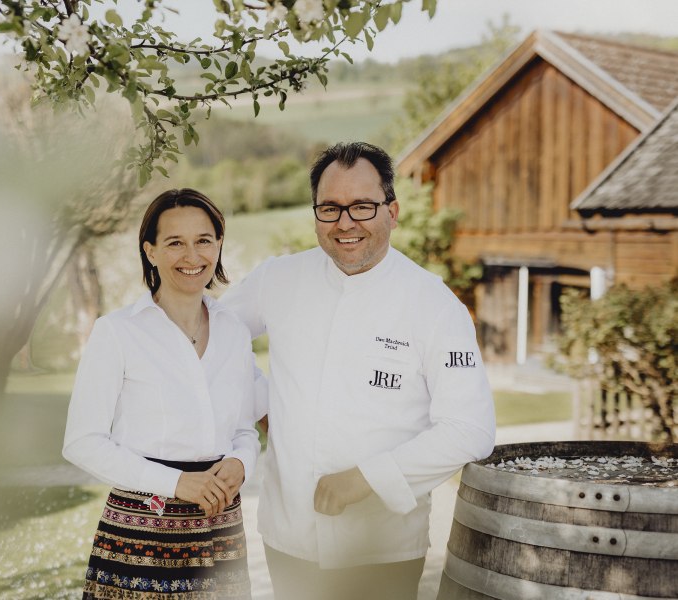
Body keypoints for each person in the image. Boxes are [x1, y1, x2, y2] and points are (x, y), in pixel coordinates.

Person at [221, 142, 496, 600]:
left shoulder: (435, 305)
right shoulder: (278, 279)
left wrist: (367, 478)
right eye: (330, 208)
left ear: (393, 211)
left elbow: (470, 430)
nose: (345, 223)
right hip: (290, 535)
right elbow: (211, 341)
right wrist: (262, 402)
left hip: (383, 550)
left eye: (362, 207)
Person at [63, 188, 260, 599]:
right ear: (150, 251)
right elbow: (82, 443)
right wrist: (176, 483)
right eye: (175, 243)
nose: (192, 255)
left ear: (218, 245)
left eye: (203, 240)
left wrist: (241, 462)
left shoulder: (234, 331)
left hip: (220, 529)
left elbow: (244, 429)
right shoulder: (117, 332)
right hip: (142, 536)